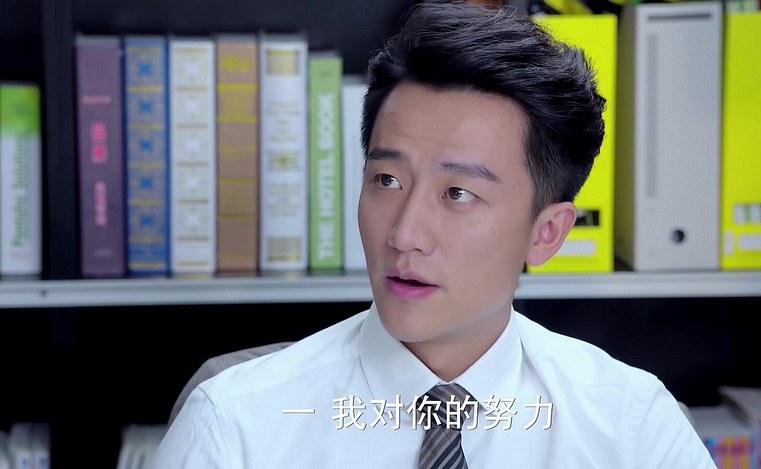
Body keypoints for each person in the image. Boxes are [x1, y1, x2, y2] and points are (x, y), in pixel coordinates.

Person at [150, 2, 717, 468]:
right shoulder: (237, 426)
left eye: (458, 194)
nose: (404, 234)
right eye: (387, 180)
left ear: (546, 234)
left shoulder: (632, 428)